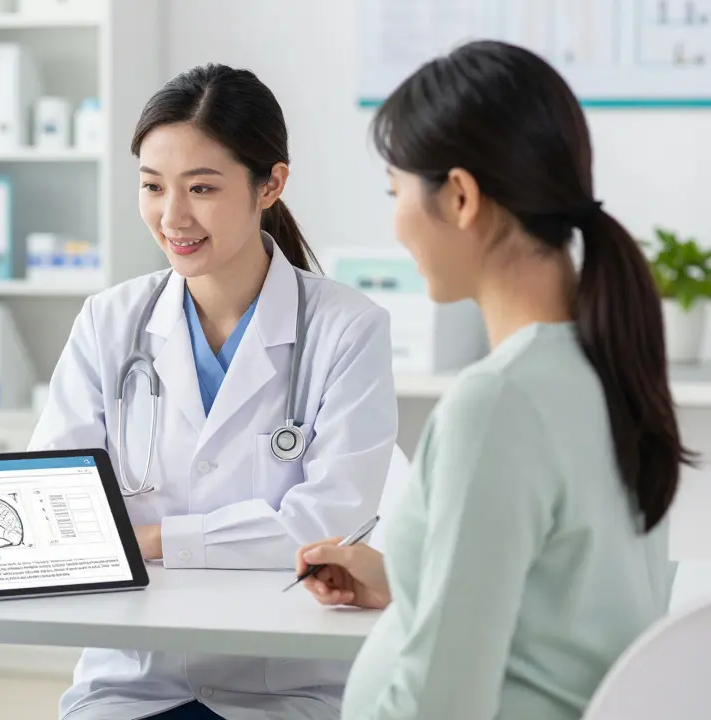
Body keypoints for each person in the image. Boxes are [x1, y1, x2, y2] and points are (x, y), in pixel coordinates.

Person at [295, 40, 690, 719]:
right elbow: (563, 610)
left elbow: (442, 707)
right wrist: (410, 582)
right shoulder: (603, 366)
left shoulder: (498, 403)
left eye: (395, 192)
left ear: (459, 196)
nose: (395, 223)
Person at [28, 63, 399, 720]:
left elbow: (324, 526)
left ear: (270, 184)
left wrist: (152, 539)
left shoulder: (347, 329)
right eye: (152, 186)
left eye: (201, 188)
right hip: (132, 680)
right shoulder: (109, 323)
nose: (172, 216)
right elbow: (54, 500)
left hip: (285, 688)